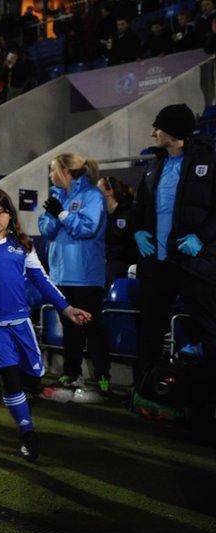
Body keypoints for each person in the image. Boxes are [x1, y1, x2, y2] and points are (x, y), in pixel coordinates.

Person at [0, 189, 91, 461]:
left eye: (0, 212)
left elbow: (42, 281)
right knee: (9, 375)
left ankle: (25, 396)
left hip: (20, 321)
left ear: (10, 214)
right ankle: (27, 432)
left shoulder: (22, 245)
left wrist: (66, 309)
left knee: (33, 376)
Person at [130, 104, 216, 399]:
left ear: (174, 131)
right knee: (150, 328)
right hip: (158, 264)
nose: (153, 133)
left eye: (158, 128)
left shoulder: (209, 161)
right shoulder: (154, 165)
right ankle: (145, 388)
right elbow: (138, 208)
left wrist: (202, 239)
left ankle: (207, 397)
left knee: (208, 329)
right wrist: (138, 230)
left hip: (193, 262)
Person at [38, 153, 111, 395]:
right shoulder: (57, 195)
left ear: (66, 172)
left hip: (86, 275)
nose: (50, 176)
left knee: (93, 327)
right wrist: (57, 215)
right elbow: (46, 229)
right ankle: (72, 373)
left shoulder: (92, 195)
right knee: (70, 328)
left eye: (53, 171)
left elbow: (87, 229)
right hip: (60, 274)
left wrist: (62, 214)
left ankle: (102, 375)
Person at [97, 177, 136, 286]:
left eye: (98, 189)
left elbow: (131, 245)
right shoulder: (100, 217)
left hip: (123, 267)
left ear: (109, 191)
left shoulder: (129, 214)